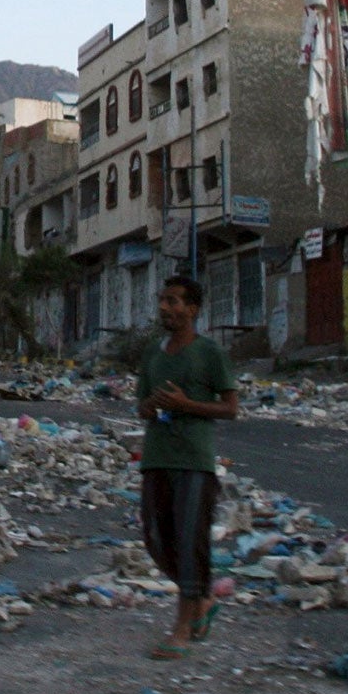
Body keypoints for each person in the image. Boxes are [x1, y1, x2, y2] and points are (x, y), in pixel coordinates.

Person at [137, 275, 238, 658]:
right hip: (156, 456)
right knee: (156, 538)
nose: (166, 307)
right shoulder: (152, 354)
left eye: (175, 301)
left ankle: (182, 627)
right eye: (163, 300)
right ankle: (202, 600)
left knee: (188, 539)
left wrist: (187, 405)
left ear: (193, 309)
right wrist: (149, 407)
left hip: (194, 460)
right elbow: (142, 403)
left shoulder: (210, 354)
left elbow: (230, 408)